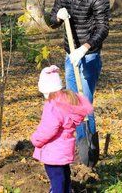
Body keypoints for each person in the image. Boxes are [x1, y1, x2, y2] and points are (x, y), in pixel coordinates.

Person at [49, 0, 110, 165]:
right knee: (72, 104)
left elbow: (103, 29)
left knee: (85, 103)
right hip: (69, 56)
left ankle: (90, 155)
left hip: (89, 57)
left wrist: (84, 48)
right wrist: (58, 16)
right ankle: (78, 148)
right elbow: (51, 20)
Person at [31, 65, 93, 193]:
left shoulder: (53, 106)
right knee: (64, 175)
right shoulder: (67, 101)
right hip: (64, 150)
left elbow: (48, 129)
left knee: (56, 178)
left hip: (53, 151)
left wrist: (36, 139)